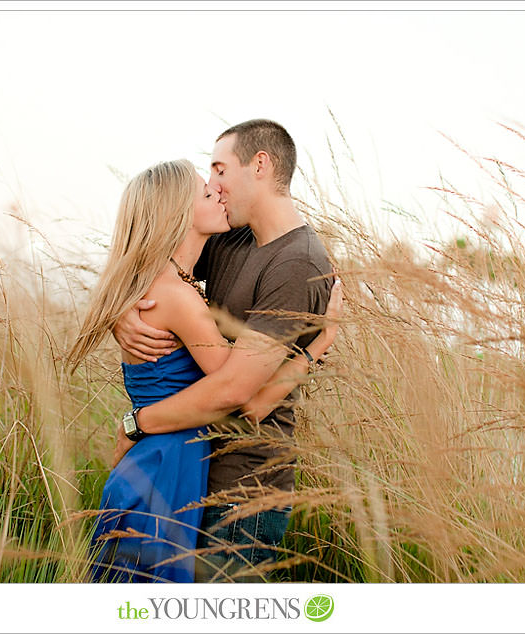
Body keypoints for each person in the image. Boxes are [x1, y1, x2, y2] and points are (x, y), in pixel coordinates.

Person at [67, 158, 341, 583]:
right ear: (178, 214)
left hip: (155, 467)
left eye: (217, 178)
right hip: (165, 473)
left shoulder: (163, 286)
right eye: (205, 191)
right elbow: (245, 398)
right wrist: (317, 345)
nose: (216, 190)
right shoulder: (178, 298)